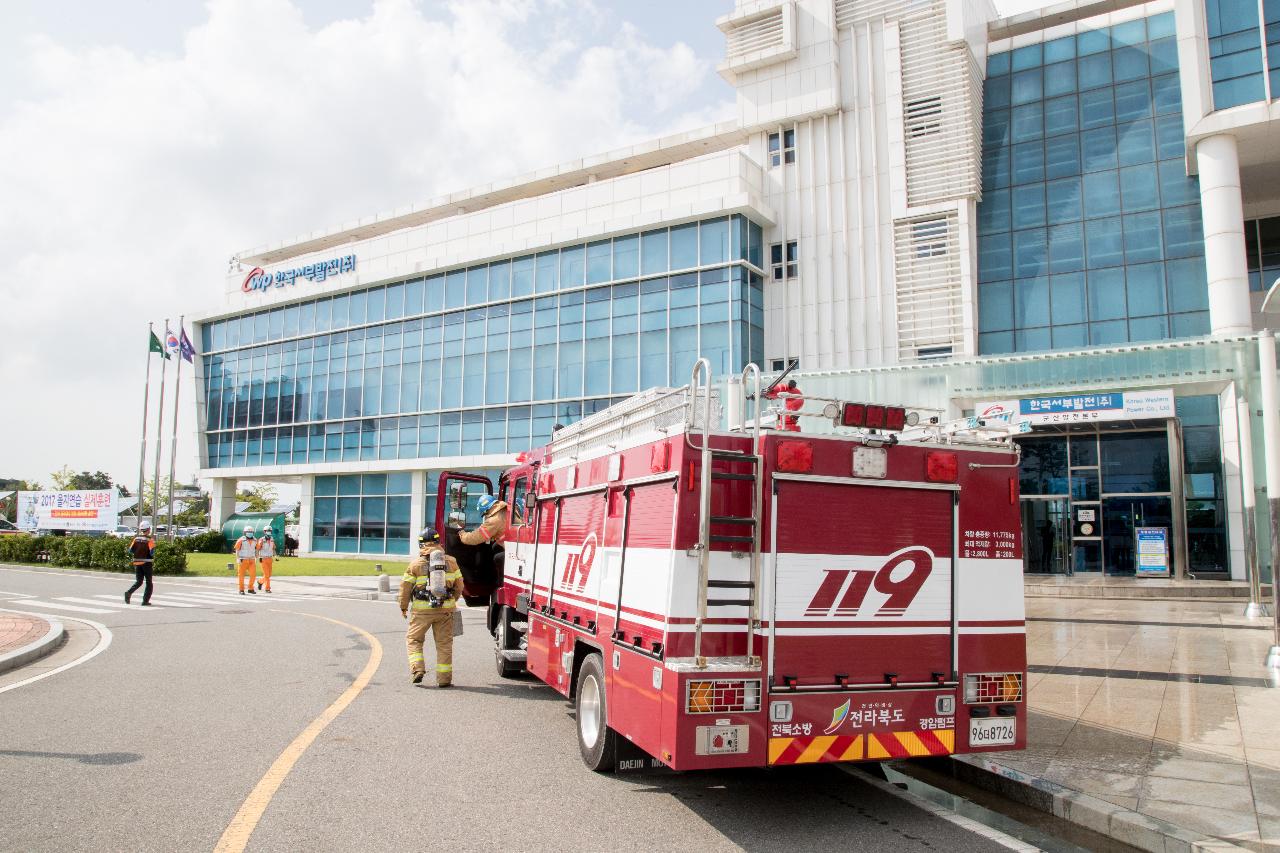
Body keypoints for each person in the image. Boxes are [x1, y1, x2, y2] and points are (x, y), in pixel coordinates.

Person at [399, 527, 465, 686]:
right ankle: (444, 680)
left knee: (414, 639)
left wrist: (403, 606)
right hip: (445, 610)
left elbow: (405, 588)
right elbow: (460, 586)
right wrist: (451, 601)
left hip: (421, 611)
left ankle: (418, 669)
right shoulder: (451, 561)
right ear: (438, 542)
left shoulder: (415, 564)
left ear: (421, 545)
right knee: (444, 645)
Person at [124, 523, 156, 606]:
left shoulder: (136, 539)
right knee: (149, 582)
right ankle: (145, 601)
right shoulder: (150, 540)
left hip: (137, 562)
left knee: (139, 581)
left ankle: (128, 592)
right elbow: (152, 552)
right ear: (148, 529)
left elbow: (130, 550)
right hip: (147, 562)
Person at [233, 525, 259, 595]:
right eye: (248, 532)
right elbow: (237, 550)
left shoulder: (255, 540)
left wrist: (257, 557)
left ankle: (250, 588)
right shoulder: (241, 540)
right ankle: (241, 589)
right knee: (241, 575)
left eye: (251, 532)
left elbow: (256, 549)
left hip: (252, 560)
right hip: (242, 559)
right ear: (245, 532)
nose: (250, 533)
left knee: (253, 575)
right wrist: (237, 558)